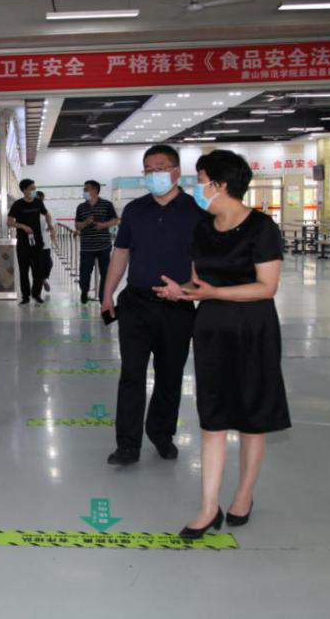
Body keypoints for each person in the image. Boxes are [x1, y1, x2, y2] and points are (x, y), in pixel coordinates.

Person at [152, 150, 290, 539]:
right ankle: (208, 506)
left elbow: (267, 287)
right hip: (212, 329)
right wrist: (182, 291)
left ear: (221, 184)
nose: (197, 187)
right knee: (212, 420)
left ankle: (243, 494)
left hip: (253, 329)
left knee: (251, 419)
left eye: (201, 180)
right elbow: (201, 283)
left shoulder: (262, 228)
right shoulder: (203, 228)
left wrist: (214, 293)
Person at [101, 144, 204, 466]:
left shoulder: (196, 211)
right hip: (136, 304)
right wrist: (107, 293)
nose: (153, 174)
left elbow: (200, 264)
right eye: (148, 169)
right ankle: (127, 444)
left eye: (160, 168)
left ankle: (162, 434)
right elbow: (121, 253)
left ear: (176, 172)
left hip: (177, 307)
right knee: (131, 374)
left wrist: (186, 290)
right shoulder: (135, 210)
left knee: (170, 375)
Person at [8, 179, 56, 305]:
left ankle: (36, 294)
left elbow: (47, 214)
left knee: (38, 271)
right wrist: (23, 226)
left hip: (37, 243)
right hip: (23, 244)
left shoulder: (38, 203)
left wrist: (50, 225)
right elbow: (9, 222)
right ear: (24, 190)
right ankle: (25, 296)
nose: (34, 190)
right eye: (32, 188)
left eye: (35, 188)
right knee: (24, 271)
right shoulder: (17, 204)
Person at [75, 180, 120, 304]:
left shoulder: (107, 204)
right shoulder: (81, 207)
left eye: (86, 189)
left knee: (105, 273)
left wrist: (103, 225)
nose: (84, 191)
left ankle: (102, 295)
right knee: (85, 272)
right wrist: (86, 223)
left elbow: (115, 220)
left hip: (103, 246)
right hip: (86, 247)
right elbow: (77, 226)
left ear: (95, 190)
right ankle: (84, 291)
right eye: (84, 189)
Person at [35, 191, 54, 293]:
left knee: (49, 263)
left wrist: (52, 231)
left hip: (46, 243)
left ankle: (44, 279)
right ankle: (42, 281)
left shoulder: (46, 213)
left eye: (41, 199)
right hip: (35, 243)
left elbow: (51, 226)